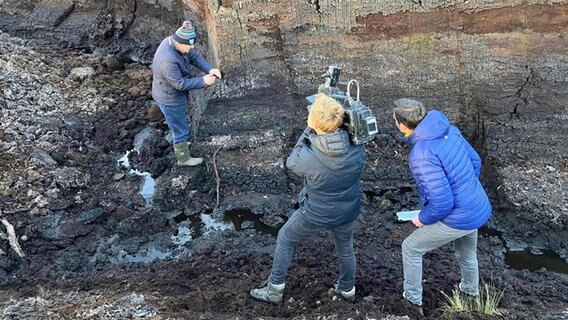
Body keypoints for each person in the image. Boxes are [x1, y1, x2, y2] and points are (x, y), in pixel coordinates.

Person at [250, 94, 366, 304]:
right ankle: (347, 290)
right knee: (345, 248)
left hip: (316, 212)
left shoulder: (307, 157)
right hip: (348, 209)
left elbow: (291, 161)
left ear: (313, 122)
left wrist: (309, 130)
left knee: (285, 238)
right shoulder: (358, 146)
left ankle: (274, 290)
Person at [392, 98, 492, 311]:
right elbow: (475, 161)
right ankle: (470, 294)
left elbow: (442, 203)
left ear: (402, 124)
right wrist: (466, 190)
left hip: (459, 215)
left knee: (410, 248)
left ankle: (412, 303)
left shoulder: (422, 153)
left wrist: (422, 218)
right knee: (466, 254)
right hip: (476, 204)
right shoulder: (450, 130)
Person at [151, 20, 222, 166]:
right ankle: (183, 159)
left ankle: (182, 144)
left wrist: (210, 69)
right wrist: (203, 81)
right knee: (179, 128)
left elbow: (194, 56)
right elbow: (179, 84)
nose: (192, 47)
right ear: (179, 42)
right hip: (169, 98)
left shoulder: (177, 44)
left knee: (180, 123)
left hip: (172, 93)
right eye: (189, 45)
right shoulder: (167, 60)